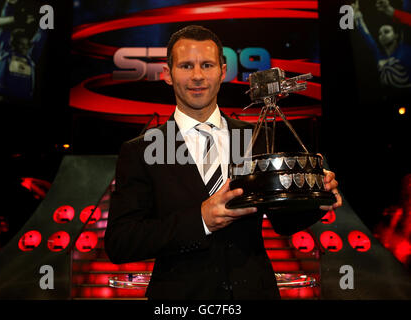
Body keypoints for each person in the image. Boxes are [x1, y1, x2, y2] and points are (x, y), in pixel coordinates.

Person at [104, 25, 342, 300]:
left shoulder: (255, 135)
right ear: (167, 74)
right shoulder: (141, 150)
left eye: (206, 65)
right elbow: (121, 242)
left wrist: (317, 199)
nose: (197, 76)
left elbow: (282, 221)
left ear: (223, 71)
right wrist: (201, 220)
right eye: (185, 66)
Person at [352, 0, 411, 89]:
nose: (382, 35)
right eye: (380, 33)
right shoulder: (381, 58)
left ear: (396, 36)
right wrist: (357, 16)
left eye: (386, 32)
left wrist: (390, 10)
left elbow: (407, 22)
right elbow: (368, 38)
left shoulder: (405, 49)